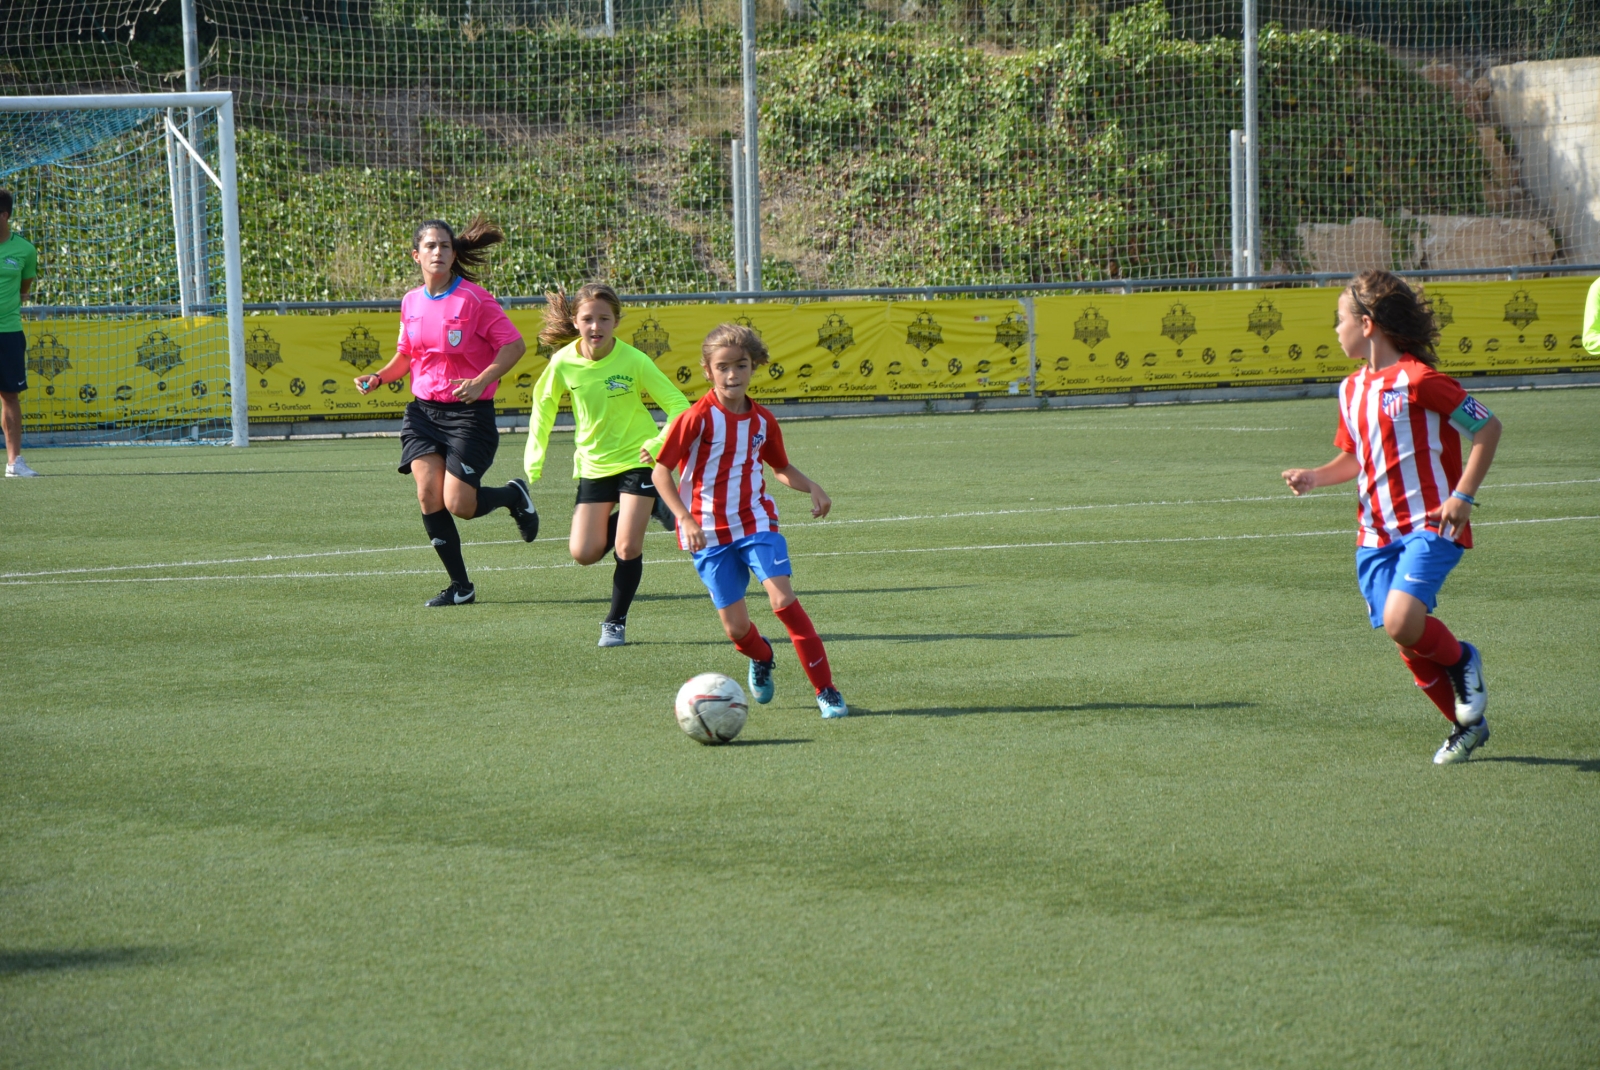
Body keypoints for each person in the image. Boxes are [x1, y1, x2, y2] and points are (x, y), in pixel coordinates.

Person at [1282, 269, 1502, 764]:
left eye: (1338, 319)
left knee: (1404, 621)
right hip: (1375, 534)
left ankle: (1465, 659)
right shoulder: (1349, 390)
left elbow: (1487, 428)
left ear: (1365, 324)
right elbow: (1356, 456)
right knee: (1406, 638)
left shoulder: (1420, 380)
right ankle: (1466, 726)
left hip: (1431, 523)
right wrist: (1316, 476)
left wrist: (1463, 495)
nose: (1334, 329)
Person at [651, 323, 848, 719]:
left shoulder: (762, 421)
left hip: (756, 522)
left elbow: (780, 467)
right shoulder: (696, 418)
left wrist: (811, 486)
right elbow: (660, 472)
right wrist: (684, 519)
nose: (732, 375)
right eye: (722, 367)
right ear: (708, 371)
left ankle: (826, 690)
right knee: (736, 629)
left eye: (740, 365)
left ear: (753, 366)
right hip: (707, 534)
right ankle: (761, 656)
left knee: (783, 600)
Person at [353, 216, 537, 607]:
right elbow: (406, 355)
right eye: (431, 246)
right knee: (427, 494)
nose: (438, 252)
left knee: (460, 505)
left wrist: (481, 379)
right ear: (416, 254)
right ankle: (461, 586)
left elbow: (514, 347)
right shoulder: (410, 301)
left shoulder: (473, 299)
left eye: (445, 246)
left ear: (454, 255)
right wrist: (378, 377)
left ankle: (511, 496)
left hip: (469, 416)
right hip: (423, 414)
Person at [523, 283, 691, 647]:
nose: (596, 327)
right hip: (593, 465)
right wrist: (534, 455)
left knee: (627, 548)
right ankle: (649, 509)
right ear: (576, 321)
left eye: (604, 319)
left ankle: (614, 622)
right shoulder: (564, 361)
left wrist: (659, 442)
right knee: (583, 553)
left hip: (637, 459)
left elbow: (680, 406)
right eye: (588, 319)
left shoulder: (634, 360)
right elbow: (543, 405)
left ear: (616, 321)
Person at [0, 190, 39, 477]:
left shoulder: (25, 250)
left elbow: (25, 289)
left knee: (9, 395)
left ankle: (14, 463)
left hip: (9, 332)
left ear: (4, 216)